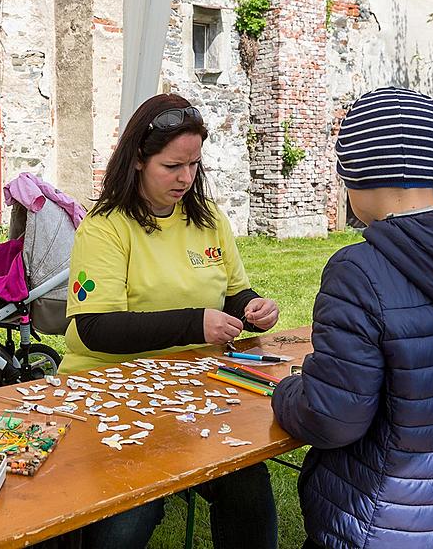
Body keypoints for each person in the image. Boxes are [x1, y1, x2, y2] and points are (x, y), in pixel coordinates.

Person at [272, 87, 433, 549]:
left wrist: (288, 390)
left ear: (360, 171)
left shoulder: (358, 271)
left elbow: (332, 418)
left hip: (367, 518)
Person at [60, 93, 280, 549]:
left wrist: (253, 308)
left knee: (247, 483)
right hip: (109, 395)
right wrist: (194, 324)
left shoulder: (209, 219)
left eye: (194, 165)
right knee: (128, 515)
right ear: (138, 160)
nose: (185, 178)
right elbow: (93, 329)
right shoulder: (105, 227)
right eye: (172, 166)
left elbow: (231, 291)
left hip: (195, 391)